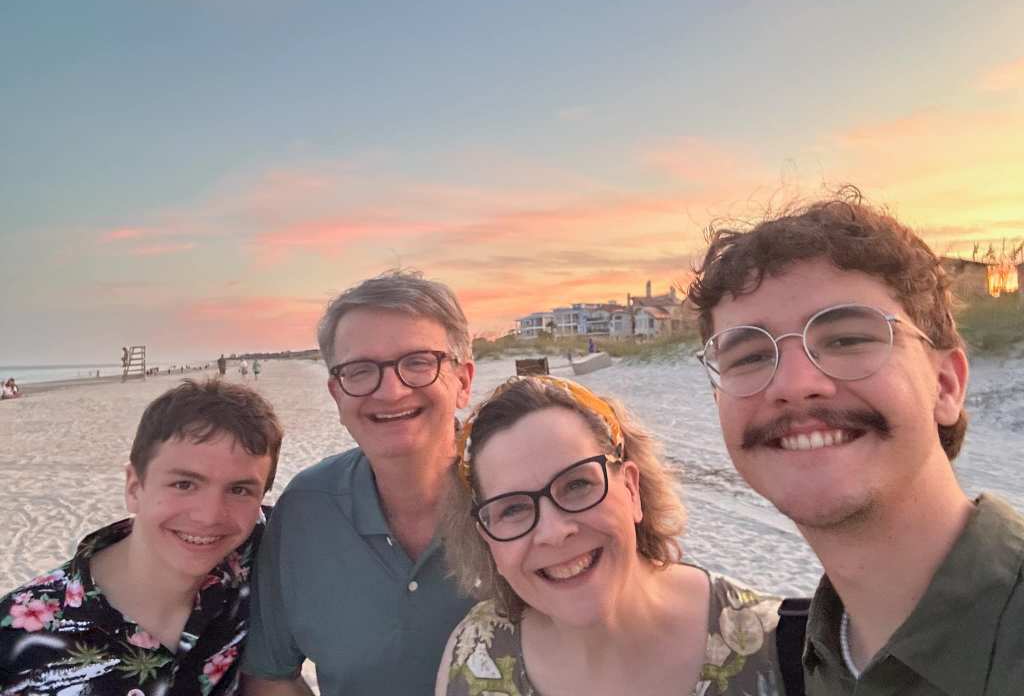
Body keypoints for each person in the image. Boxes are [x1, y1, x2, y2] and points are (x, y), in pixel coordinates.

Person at [687, 186, 1024, 694]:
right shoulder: (817, 656)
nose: (795, 384)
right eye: (751, 356)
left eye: (847, 339)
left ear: (946, 385)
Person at [436, 375, 783, 695]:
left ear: (631, 489)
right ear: (487, 538)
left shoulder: (774, 645)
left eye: (577, 485)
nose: (555, 532)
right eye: (512, 509)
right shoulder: (474, 658)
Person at [242, 270, 476, 696]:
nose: (391, 391)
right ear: (336, 393)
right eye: (361, 370)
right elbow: (270, 673)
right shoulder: (306, 510)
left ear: (463, 381)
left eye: (418, 362)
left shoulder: (525, 495)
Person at [0, 379, 284, 696]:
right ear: (134, 488)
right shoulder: (15, 639)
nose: (209, 516)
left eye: (239, 490)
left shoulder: (263, 551)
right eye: (184, 484)